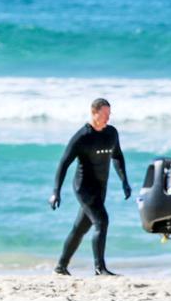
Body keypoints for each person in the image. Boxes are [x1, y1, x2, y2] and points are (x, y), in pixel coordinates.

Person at [49, 98, 131, 276]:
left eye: (109, 114)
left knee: (80, 228)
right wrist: (56, 191)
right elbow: (63, 163)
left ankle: (61, 267)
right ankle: (99, 268)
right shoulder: (82, 137)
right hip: (84, 188)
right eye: (104, 115)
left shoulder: (111, 133)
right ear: (94, 113)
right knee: (101, 221)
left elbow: (117, 156)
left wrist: (124, 180)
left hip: (101, 188)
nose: (108, 118)